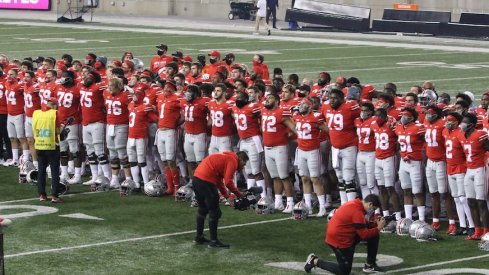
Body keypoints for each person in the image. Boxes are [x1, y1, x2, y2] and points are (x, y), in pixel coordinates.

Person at [304, 194, 386, 274]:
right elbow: (364, 234)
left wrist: (375, 224)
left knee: (373, 234)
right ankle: (314, 261)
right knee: (344, 271)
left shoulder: (355, 204)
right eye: (374, 208)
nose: (373, 211)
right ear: (370, 204)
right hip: (339, 240)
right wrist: (378, 228)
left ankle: (370, 265)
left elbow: (360, 223)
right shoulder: (357, 211)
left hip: (341, 234)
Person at [192, 151, 248, 248]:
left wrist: (227, 196)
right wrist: (239, 194)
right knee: (215, 212)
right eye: (244, 163)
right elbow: (228, 182)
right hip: (206, 180)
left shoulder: (225, 157)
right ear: (240, 159)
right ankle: (214, 241)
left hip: (196, 178)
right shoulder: (233, 160)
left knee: (203, 209)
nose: (243, 166)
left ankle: (199, 237)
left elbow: (219, 181)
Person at [32, 97, 63, 203]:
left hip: (39, 145)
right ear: (54, 105)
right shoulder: (54, 113)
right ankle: (54, 196)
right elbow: (58, 130)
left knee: (41, 170)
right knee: (54, 171)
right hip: (52, 146)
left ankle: (41, 194)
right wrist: (63, 128)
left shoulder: (36, 113)